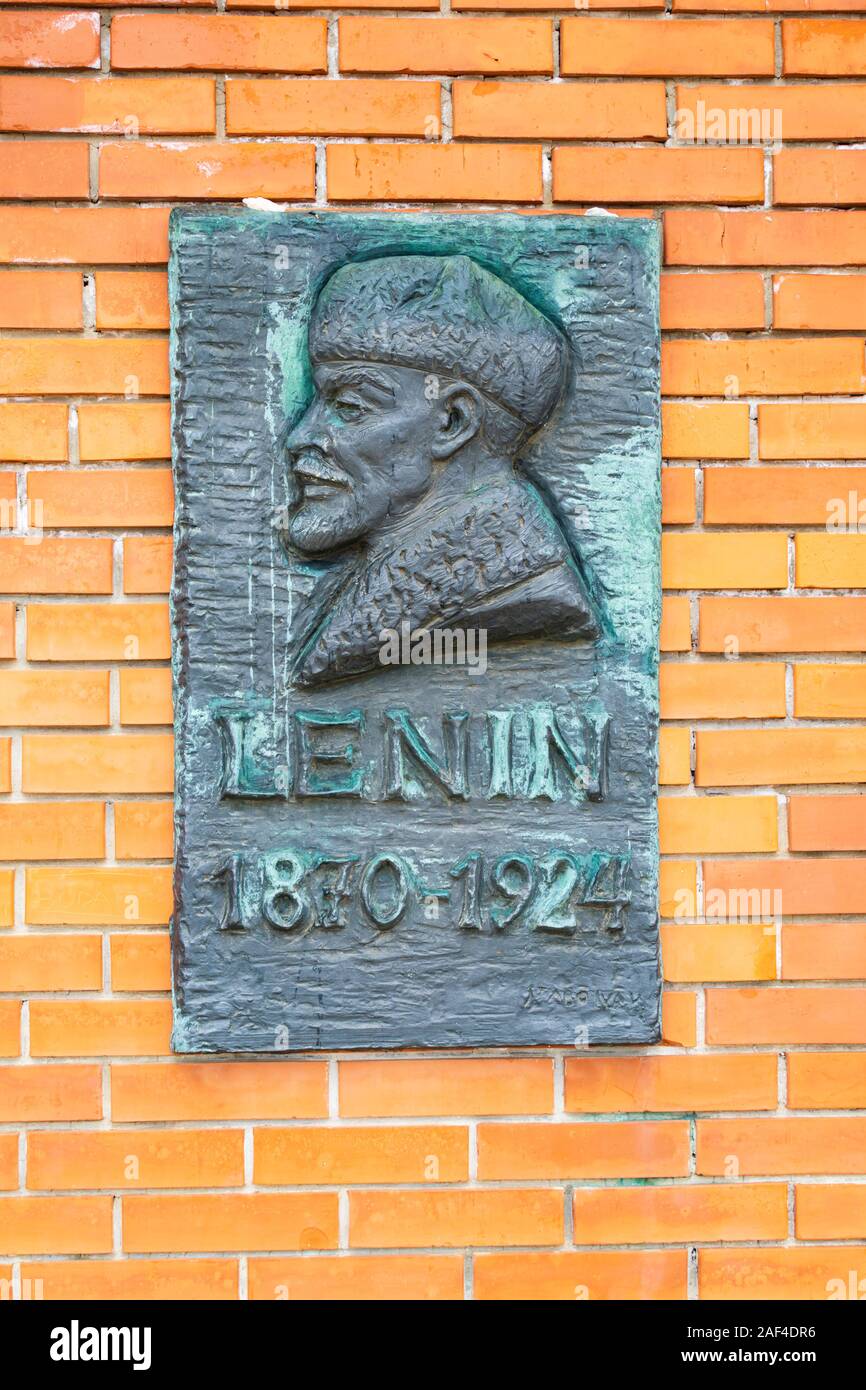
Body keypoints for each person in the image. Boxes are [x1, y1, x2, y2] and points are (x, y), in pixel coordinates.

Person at [282, 252, 599, 687]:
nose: (301, 437)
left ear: (453, 422)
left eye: (349, 407)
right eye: (319, 403)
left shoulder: (520, 593)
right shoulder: (376, 588)